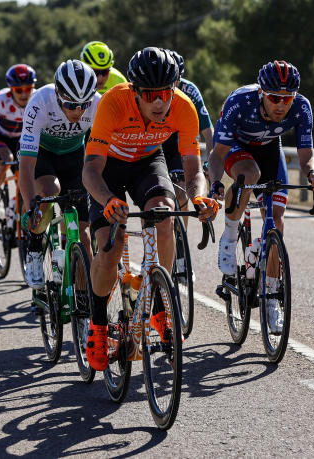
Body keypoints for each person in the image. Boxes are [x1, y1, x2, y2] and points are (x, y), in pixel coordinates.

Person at [82, 47, 219, 371]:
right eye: (150, 95)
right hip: (108, 168)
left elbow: (194, 170)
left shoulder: (184, 109)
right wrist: (108, 201)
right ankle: (99, 325)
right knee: (111, 248)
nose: (159, 102)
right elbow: (90, 171)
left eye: (165, 93)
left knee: (166, 216)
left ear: (174, 89)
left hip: (147, 162)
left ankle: (160, 301)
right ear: (135, 92)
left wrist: (199, 197)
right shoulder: (113, 103)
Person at [207, 60, 314, 333]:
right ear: (262, 92)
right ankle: (229, 236)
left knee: (276, 220)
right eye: (274, 98)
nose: (281, 105)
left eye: (287, 99)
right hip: (234, 146)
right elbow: (217, 154)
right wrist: (215, 183)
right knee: (249, 174)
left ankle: (272, 299)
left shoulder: (302, 107)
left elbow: (307, 157)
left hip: (270, 148)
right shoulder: (240, 101)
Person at [19, 59, 100, 288]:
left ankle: (88, 307)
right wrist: (30, 206)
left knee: (83, 236)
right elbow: (26, 165)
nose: (78, 110)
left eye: (84, 104)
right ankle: (35, 247)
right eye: (71, 103)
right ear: (57, 94)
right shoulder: (40, 102)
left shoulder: (98, 105)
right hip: (42, 155)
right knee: (48, 191)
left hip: (74, 156)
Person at [163, 50, 214, 227]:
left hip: (180, 142)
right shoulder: (154, 89)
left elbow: (208, 131)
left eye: (177, 78)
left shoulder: (189, 90)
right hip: (157, 143)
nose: (173, 83)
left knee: (182, 191)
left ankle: (180, 236)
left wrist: (210, 161)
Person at [0, 64, 36, 225]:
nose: (24, 94)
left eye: (28, 88)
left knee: (27, 175)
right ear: (11, 89)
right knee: (6, 159)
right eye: (19, 90)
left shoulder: (38, 99)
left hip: (22, 139)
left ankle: (19, 205)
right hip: (0, 137)